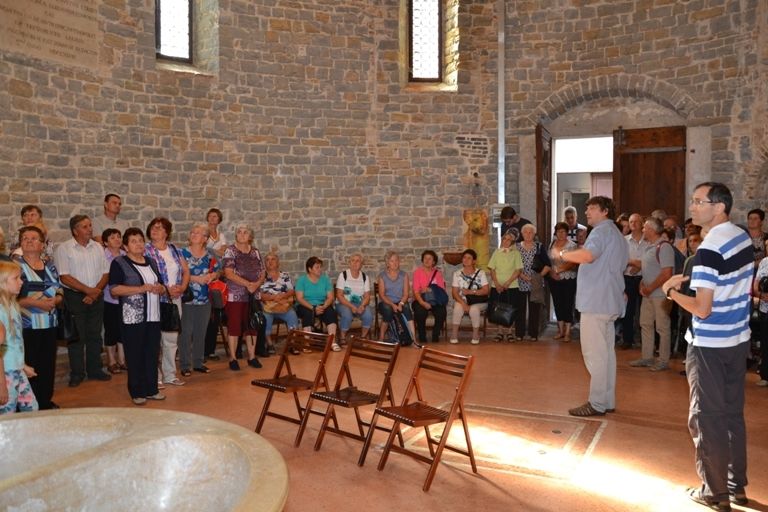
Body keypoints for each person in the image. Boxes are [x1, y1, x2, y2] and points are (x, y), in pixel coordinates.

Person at [662, 182, 754, 510]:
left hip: (710, 345)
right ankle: (735, 485)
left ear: (719, 207)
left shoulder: (708, 250)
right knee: (731, 415)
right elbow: (735, 282)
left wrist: (671, 292)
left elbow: (702, 308)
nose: (692, 207)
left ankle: (714, 492)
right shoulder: (741, 237)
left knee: (707, 418)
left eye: (699, 201)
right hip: (738, 339)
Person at [560, 196, 628, 417]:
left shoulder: (600, 232)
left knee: (594, 355)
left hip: (596, 302)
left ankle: (597, 403)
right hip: (609, 300)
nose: (587, 212)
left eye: (592, 208)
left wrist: (562, 253)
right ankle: (607, 400)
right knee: (606, 354)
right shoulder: (617, 234)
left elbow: (588, 255)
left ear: (605, 211)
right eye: (587, 208)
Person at [108, 228, 167, 406]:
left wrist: (161, 288)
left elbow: (161, 284)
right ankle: (137, 390)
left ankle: (152, 389)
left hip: (153, 316)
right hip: (133, 317)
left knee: (152, 353)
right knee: (135, 354)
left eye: (141, 240)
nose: (138, 244)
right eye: (133, 241)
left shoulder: (151, 262)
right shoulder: (119, 263)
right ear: (125, 246)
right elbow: (114, 289)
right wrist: (141, 289)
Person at [54, 215, 111, 387]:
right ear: (75, 230)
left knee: (95, 335)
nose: (90, 229)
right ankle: (77, 373)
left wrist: (95, 292)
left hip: (96, 295)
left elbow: (106, 273)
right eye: (85, 226)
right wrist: (88, 291)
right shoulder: (64, 248)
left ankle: (95, 370)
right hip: (74, 297)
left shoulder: (98, 247)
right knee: (76, 337)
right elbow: (64, 276)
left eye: (90, 225)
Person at [15, 226, 62, 410]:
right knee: (29, 365)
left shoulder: (50, 265)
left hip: (49, 323)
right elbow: (10, 297)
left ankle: (44, 401)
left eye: (33, 238)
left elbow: (60, 290)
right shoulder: (15, 266)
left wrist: (56, 300)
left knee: (47, 364)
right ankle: (28, 404)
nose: (29, 241)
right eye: (25, 238)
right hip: (26, 326)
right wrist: (36, 303)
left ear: (42, 244)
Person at [145, 217, 190, 386]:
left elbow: (186, 271)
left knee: (171, 339)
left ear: (167, 232)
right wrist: (164, 288)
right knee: (153, 340)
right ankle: (154, 376)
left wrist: (182, 287)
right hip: (154, 299)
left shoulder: (174, 249)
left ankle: (170, 375)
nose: (154, 230)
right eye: (152, 227)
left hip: (173, 300)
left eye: (159, 227)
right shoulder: (145, 250)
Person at [629, 217, 674, 371]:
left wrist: (651, 287)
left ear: (652, 230)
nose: (643, 230)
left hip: (660, 294)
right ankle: (647, 357)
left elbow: (667, 273)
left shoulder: (664, 247)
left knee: (662, 327)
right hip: (648, 294)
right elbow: (648, 268)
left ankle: (663, 360)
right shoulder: (650, 246)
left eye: (645, 228)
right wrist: (643, 283)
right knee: (645, 324)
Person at [222, 223, 265, 370]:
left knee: (252, 325)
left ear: (250, 236)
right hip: (236, 294)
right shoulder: (230, 251)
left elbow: (262, 272)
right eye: (239, 232)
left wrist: (256, 284)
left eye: (245, 232)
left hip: (253, 294)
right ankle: (233, 358)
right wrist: (247, 284)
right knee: (234, 326)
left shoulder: (256, 252)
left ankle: (252, 357)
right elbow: (228, 273)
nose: (242, 234)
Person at [179, 223, 220, 376]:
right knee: (185, 332)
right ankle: (185, 364)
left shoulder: (210, 254)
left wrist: (213, 275)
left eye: (198, 233)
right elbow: (177, 274)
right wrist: (197, 279)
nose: (194, 234)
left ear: (205, 238)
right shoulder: (181, 253)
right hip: (186, 299)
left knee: (201, 332)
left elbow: (218, 270)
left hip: (205, 299)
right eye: (192, 232)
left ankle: (198, 362)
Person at [0, 260, 39, 414]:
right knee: (6, 416)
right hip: (5, 374)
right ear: (2, 283)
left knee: (32, 409)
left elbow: (13, 343)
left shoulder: (13, 306)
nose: (21, 282)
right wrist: (2, 384)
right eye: (16, 278)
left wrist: (22, 365)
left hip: (16, 369)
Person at [515, 224, 551, 341]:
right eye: (525, 232)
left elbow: (548, 265)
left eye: (531, 232)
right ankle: (519, 333)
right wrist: (522, 276)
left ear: (534, 234)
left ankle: (533, 334)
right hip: (519, 280)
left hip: (535, 282)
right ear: (522, 234)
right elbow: (513, 264)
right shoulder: (516, 247)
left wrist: (538, 277)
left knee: (535, 309)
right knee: (520, 308)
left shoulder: (539, 246)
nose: (528, 234)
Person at [295, 256, 339, 351]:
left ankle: (332, 341)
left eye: (320, 267)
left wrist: (324, 306)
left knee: (331, 313)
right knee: (307, 313)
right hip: (305, 305)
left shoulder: (325, 280)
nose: (320, 269)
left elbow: (330, 297)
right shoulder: (302, 280)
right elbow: (299, 298)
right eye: (317, 267)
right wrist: (313, 308)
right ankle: (307, 342)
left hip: (322, 304)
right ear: (310, 269)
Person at [620, 213, 648, 350]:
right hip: (627, 278)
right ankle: (627, 339)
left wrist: (640, 266)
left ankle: (644, 341)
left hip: (644, 278)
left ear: (642, 223)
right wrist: (635, 263)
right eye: (631, 222)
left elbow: (651, 260)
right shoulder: (624, 241)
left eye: (636, 221)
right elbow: (621, 259)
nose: (633, 224)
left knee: (645, 311)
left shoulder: (648, 240)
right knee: (628, 311)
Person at [260, 252, 299, 352]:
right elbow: (259, 294)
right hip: (268, 307)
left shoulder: (284, 275)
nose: (270, 262)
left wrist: (282, 296)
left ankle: (292, 343)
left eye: (273, 259)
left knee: (292, 315)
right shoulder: (261, 276)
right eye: (267, 260)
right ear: (264, 263)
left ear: (278, 263)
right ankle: (269, 344)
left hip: (283, 306)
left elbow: (291, 291)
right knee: (265, 317)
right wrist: (273, 297)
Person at [487, 233, 522, 342]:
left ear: (512, 242)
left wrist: (508, 282)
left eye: (508, 240)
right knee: (498, 309)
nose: (506, 241)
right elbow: (492, 269)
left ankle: (510, 332)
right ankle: (500, 332)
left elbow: (518, 270)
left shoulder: (516, 253)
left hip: (512, 286)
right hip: (496, 286)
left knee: (510, 309)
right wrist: (497, 283)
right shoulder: (496, 252)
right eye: (504, 239)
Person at [449, 249, 489, 345]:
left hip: (478, 301)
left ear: (474, 261)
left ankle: (475, 335)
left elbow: (486, 290)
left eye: (469, 258)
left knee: (474, 309)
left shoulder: (481, 273)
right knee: (458, 308)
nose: (466, 260)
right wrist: (463, 304)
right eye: (464, 257)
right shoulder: (457, 274)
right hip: (462, 300)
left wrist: (471, 292)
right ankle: (454, 334)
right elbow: (454, 293)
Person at [102, 228, 127, 374]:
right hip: (109, 298)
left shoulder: (125, 255)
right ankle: (111, 361)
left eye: (119, 236)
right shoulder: (103, 256)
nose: (117, 239)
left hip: (125, 299)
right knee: (111, 330)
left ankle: (122, 360)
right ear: (105, 242)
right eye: (112, 238)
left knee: (123, 330)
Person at [376, 251, 415, 344]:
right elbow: (382, 295)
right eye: (392, 261)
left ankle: (414, 340)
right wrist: (392, 304)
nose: (395, 263)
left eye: (396, 260)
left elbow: (406, 294)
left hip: (400, 301)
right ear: (387, 263)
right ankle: (381, 338)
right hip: (386, 302)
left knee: (407, 308)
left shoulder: (404, 275)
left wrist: (401, 304)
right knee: (388, 310)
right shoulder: (382, 276)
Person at [548, 222, 577, 342]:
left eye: (563, 231)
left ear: (567, 232)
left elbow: (573, 262)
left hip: (568, 278)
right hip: (554, 278)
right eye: (558, 231)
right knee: (557, 303)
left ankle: (568, 332)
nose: (561, 234)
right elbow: (549, 261)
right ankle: (560, 330)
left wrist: (559, 270)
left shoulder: (572, 245)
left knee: (568, 304)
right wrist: (552, 272)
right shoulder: (552, 243)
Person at [412, 250, 448, 345]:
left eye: (429, 259)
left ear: (434, 262)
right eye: (425, 258)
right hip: (420, 299)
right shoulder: (417, 272)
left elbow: (441, 290)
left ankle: (435, 335)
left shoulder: (437, 273)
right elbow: (416, 291)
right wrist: (423, 302)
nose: (427, 260)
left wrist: (431, 289)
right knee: (420, 312)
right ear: (422, 260)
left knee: (442, 311)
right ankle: (422, 336)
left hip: (435, 299)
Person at [335, 253, 373, 343]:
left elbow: (367, 296)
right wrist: (351, 307)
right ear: (349, 263)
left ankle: (363, 337)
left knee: (368, 314)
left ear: (361, 264)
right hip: (343, 303)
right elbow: (339, 295)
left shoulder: (365, 277)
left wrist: (362, 306)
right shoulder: (343, 275)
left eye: (357, 261)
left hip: (359, 303)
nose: (355, 263)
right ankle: (342, 337)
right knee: (347, 314)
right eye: (353, 260)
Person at [754, 239, 768, 387]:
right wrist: (760, 294)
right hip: (765, 308)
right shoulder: (764, 262)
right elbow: (756, 283)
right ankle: (765, 375)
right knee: (765, 343)